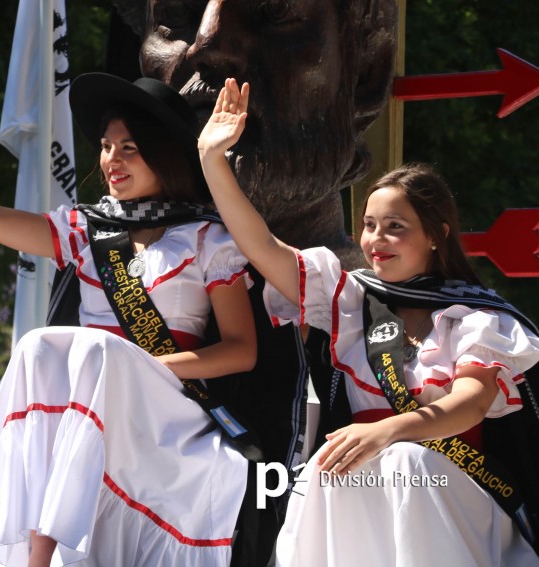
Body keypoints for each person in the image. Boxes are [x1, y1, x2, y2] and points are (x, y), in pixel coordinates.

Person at [0, 47, 256, 566]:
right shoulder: (85, 229)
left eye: (130, 147)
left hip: (166, 406)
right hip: (85, 399)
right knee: (38, 344)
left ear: (163, 153)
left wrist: (137, 366)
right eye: (105, 146)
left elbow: (241, 350)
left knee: (96, 354)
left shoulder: (207, 238)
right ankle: (38, 552)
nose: (111, 160)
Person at [199, 78, 539, 566]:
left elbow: (471, 404)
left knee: (405, 461)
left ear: (436, 235)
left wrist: (388, 432)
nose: (377, 239)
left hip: (451, 485)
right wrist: (212, 159)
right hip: (363, 476)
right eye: (370, 225)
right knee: (327, 470)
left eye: (396, 227)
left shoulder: (476, 317)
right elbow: (262, 247)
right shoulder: (350, 297)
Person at [112, 0, 398, 255]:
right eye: (177, 12)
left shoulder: (398, 311)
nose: (210, 45)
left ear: (368, 68)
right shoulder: (87, 269)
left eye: (275, 10)